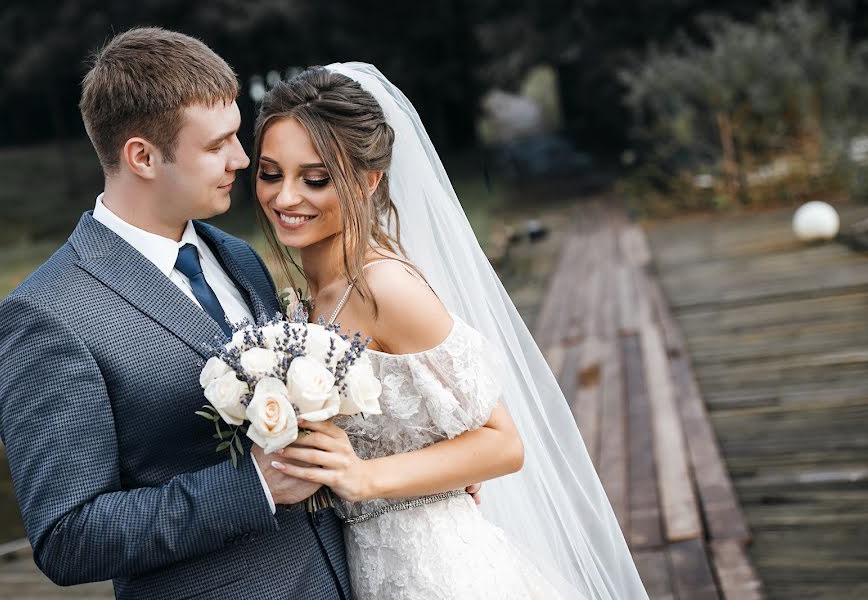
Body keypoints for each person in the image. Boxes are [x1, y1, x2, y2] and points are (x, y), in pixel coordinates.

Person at [250, 64, 649, 599]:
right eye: (271, 173)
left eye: (315, 178)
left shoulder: (387, 288)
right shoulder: (311, 294)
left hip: (437, 573)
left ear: (368, 182)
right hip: (370, 567)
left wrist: (365, 478)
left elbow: (502, 443)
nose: (285, 197)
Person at [0, 28, 352, 599]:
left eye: (238, 136)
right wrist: (253, 487)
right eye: (217, 145)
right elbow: (67, 537)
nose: (241, 159)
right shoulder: (48, 314)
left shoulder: (238, 257)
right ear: (142, 156)